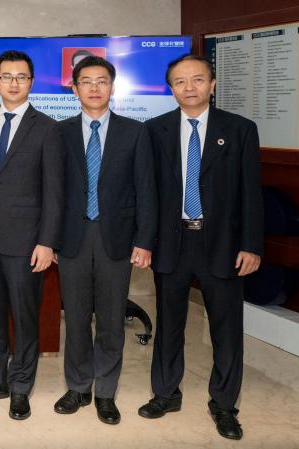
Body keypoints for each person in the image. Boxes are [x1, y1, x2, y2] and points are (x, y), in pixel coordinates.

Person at [138, 54, 262, 441]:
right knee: (169, 324)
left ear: (212, 83)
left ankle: (224, 404)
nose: (189, 88)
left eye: (197, 80)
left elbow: (250, 193)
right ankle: (165, 392)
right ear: (169, 88)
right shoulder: (154, 130)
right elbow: (148, 193)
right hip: (171, 243)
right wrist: (146, 242)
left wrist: (251, 245)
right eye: (179, 81)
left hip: (222, 244)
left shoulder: (240, 129)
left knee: (227, 329)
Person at [54, 56, 156, 425]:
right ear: (74, 87)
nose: (94, 88)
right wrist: (49, 239)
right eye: (86, 81)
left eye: (101, 81)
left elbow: (146, 190)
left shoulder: (135, 132)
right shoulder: (59, 132)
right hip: (72, 238)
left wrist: (144, 241)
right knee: (77, 318)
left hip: (117, 238)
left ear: (112, 87)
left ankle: (106, 393)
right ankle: (78, 386)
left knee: (112, 321)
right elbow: (52, 191)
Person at [0, 50, 64, 420]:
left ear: (32, 82)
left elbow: (54, 191)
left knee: (24, 318)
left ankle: (20, 387)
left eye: (21, 77)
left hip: (26, 243)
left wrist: (47, 241)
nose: (13, 83)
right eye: (6, 76)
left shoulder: (48, 128)